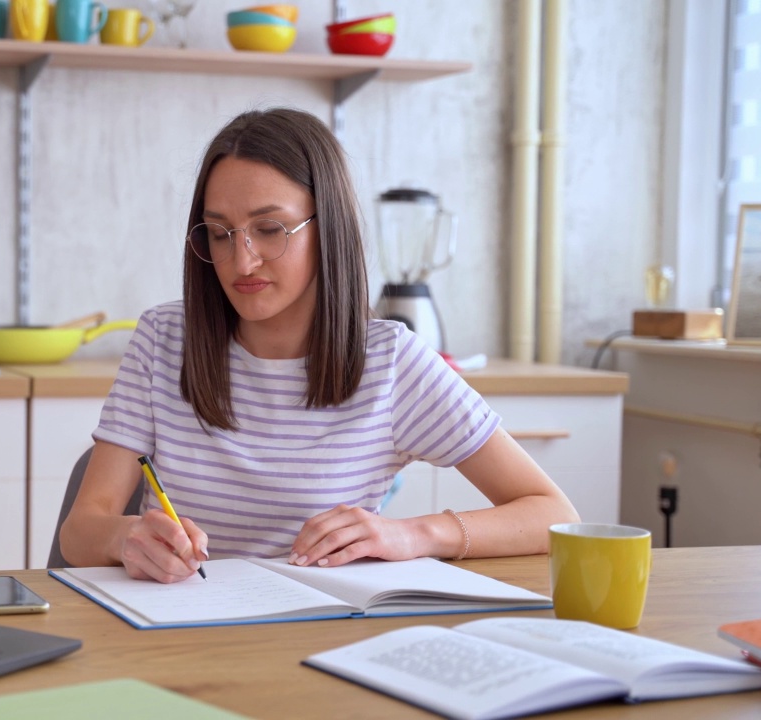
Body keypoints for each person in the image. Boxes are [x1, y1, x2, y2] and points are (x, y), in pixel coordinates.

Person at [59, 107, 579, 584]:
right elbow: (80, 532)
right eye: (219, 234)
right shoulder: (163, 341)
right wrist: (124, 539)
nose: (242, 262)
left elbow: (553, 513)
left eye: (269, 229)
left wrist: (413, 535)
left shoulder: (390, 360)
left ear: (327, 226)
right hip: (174, 634)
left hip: (320, 641)